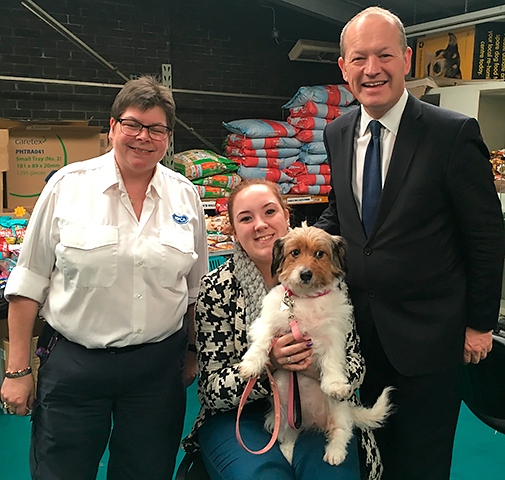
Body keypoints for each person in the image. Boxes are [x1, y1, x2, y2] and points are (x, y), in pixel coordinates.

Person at [315, 7, 505, 480]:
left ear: (406, 58)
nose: (371, 69)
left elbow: (485, 235)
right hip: (359, 332)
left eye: (384, 55)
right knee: (370, 457)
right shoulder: (336, 132)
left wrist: (480, 323)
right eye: (359, 58)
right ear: (344, 67)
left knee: (420, 462)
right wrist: (289, 247)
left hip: (430, 338)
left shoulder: (451, 133)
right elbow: (342, 214)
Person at [0, 76, 208, 480]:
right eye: (132, 124)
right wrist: (18, 370)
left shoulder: (186, 197)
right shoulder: (67, 187)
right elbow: (27, 284)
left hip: (155, 371)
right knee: (62, 470)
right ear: (112, 127)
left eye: (156, 129)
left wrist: (192, 351)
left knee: (146, 471)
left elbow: (194, 291)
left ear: (168, 137)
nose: (142, 137)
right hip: (76, 366)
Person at [182, 178, 384, 480]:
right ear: (233, 232)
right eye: (246, 218)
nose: (260, 225)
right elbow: (212, 391)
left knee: (330, 476)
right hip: (240, 414)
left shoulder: (330, 287)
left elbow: (354, 367)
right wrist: (271, 364)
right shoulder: (217, 289)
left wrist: (315, 368)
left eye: (270, 212)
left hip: (317, 406)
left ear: (286, 216)